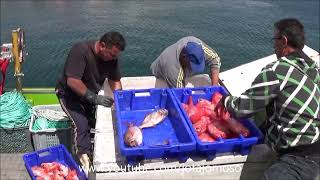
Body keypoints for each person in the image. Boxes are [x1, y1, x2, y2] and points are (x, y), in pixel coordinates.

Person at [216, 18, 320, 180]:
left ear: (284, 41)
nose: (273, 45)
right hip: (315, 152)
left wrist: (225, 100)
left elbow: (242, 108)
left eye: (275, 39)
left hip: (297, 159)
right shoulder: (314, 70)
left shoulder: (276, 70)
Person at [55, 31, 126, 172]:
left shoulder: (112, 59)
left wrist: (120, 100)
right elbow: (73, 81)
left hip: (88, 98)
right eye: (112, 54)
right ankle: (82, 162)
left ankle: (90, 152)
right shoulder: (80, 50)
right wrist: (95, 99)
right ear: (102, 46)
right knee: (81, 125)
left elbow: (115, 80)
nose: (114, 57)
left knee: (92, 123)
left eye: (116, 55)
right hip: (69, 96)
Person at [150, 36, 221, 88]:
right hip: (162, 75)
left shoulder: (197, 45)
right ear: (184, 57)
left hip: (181, 70)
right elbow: (180, 93)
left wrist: (214, 88)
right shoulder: (173, 68)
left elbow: (215, 60)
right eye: (192, 65)